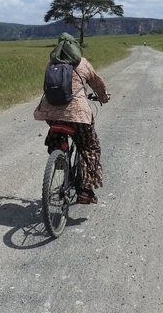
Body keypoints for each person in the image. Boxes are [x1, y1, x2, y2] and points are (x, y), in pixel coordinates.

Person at [34, 34, 110, 204]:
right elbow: (98, 84)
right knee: (89, 147)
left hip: (50, 113)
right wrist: (104, 98)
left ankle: (59, 157)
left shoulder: (52, 64)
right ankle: (85, 190)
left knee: (56, 131)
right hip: (78, 115)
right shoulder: (83, 64)